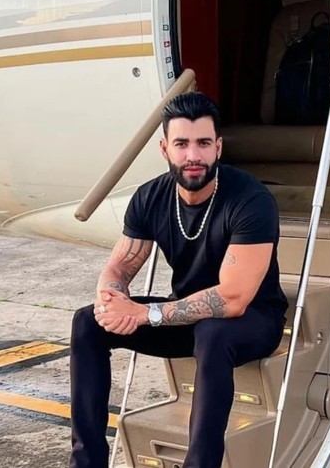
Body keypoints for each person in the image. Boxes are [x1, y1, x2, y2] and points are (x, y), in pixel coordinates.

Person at [69, 91, 288, 468]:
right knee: (87, 322)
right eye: (182, 144)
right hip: (185, 319)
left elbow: (234, 298)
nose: (193, 155)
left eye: (203, 143)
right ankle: (86, 463)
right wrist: (111, 302)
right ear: (165, 149)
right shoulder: (150, 197)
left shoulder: (250, 199)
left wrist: (146, 314)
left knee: (213, 333)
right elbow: (119, 267)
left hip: (253, 321)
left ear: (218, 147)